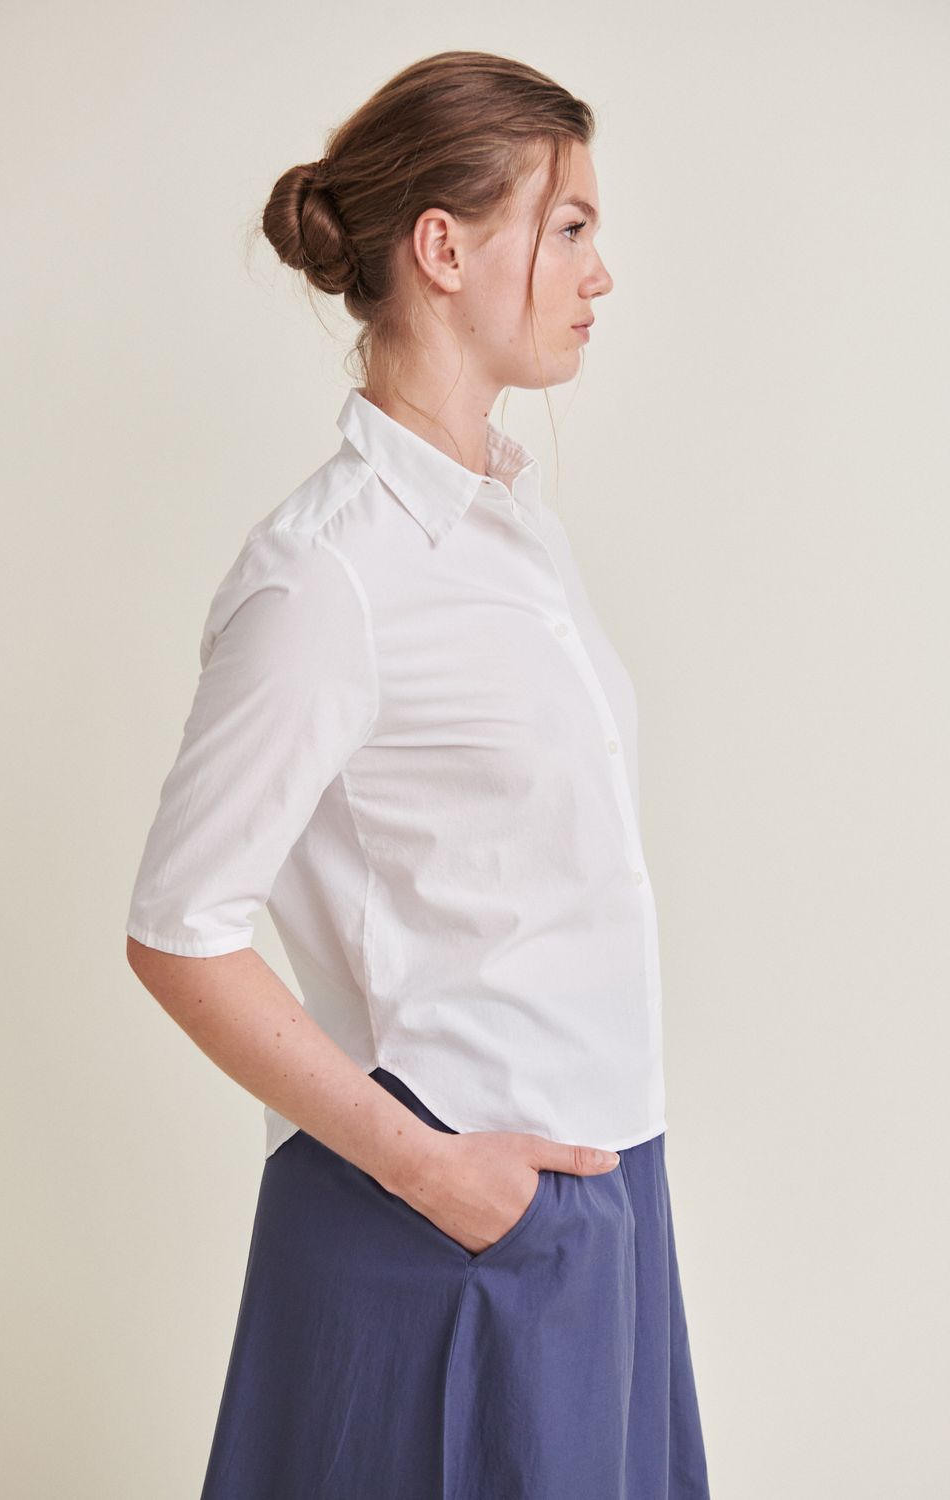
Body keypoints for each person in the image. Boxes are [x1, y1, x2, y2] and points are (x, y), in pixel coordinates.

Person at [125, 48, 711, 1500]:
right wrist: (431, 1171)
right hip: (441, 1222)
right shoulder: (326, 579)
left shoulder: (516, 528)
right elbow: (179, 930)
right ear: (444, 250)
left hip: (604, 1189)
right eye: (568, 226)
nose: (601, 271)